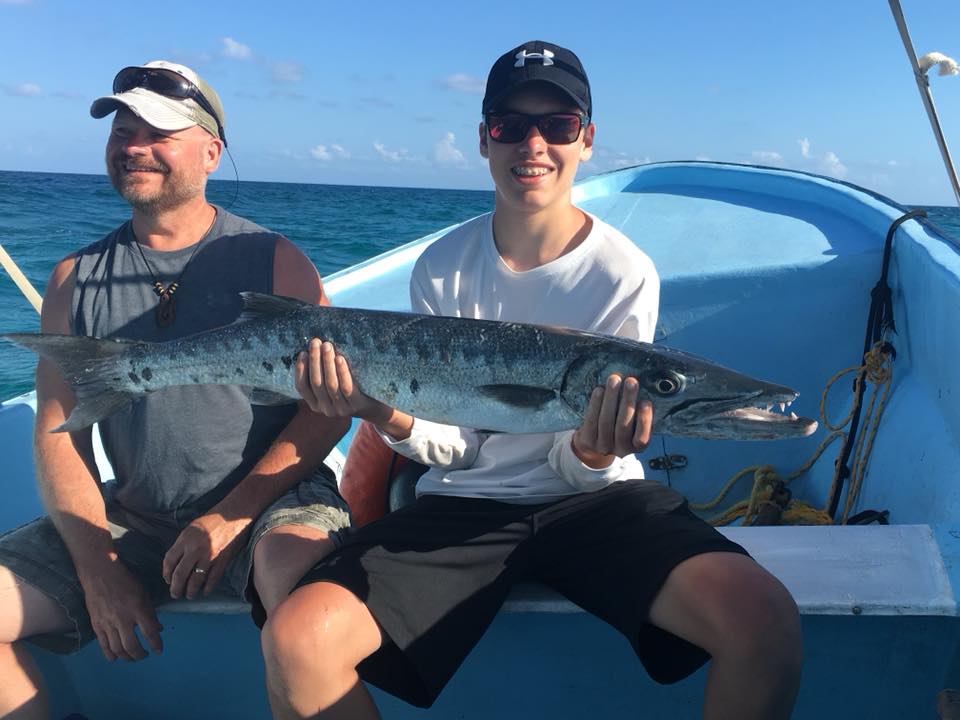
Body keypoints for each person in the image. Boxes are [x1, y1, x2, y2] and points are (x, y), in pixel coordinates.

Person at [262, 41, 803, 719]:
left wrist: (592, 450)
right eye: (510, 125)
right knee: (296, 641)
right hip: (466, 502)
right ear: (484, 140)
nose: (534, 143)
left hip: (597, 503)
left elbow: (583, 467)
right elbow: (460, 447)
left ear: (587, 140)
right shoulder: (443, 266)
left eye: (559, 125)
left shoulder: (622, 271)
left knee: (763, 620)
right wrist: (380, 410)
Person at [0, 61, 351, 719]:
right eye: (123, 130)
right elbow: (60, 433)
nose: (134, 146)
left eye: (158, 132)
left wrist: (230, 515)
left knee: (299, 597)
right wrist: (99, 570)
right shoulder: (74, 278)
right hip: (137, 513)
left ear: (211, 152)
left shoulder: (276, 261)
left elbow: (325, 413)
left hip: (271, 501)